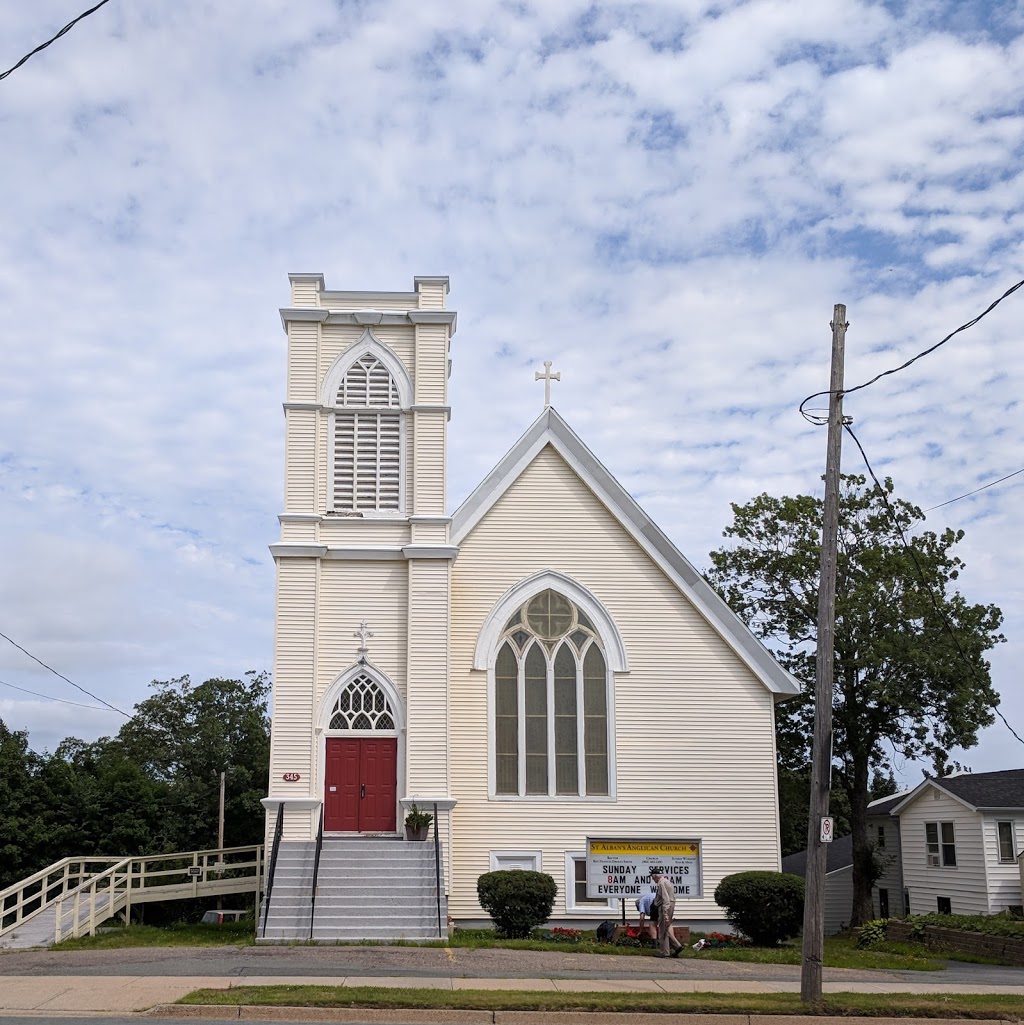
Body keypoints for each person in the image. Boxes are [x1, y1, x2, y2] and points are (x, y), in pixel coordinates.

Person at [651, 868, 683, 957]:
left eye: (653, 878)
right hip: (670, 905)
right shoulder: (667, 881)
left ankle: (665, 952)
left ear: (655, 876)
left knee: (662, 929)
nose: (653, 880)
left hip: (665, 906)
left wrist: (665, 913)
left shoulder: (661, 883)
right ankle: (677, 946)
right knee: (665, 928)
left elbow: (665, 898)